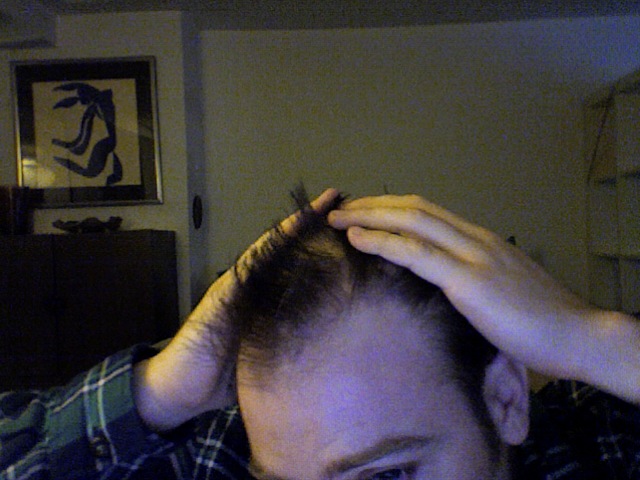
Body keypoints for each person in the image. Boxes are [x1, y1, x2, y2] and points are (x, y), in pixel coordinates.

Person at [1, 188, 639, 480]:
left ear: (505, 400)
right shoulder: (228, 454)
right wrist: (159, 392)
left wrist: (596, 341)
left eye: (384, 479)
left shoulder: (601, 451)